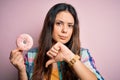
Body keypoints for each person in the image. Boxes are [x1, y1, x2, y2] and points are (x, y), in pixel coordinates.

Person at [9, 3, 104, 80]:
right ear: (49, 26)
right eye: (59, 23)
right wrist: (21, 71)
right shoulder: (31, 55)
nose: (65, 30)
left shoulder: (82, 54)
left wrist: (69, 56)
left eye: (70, 25)